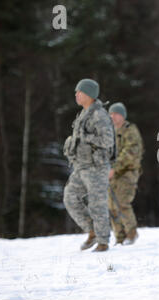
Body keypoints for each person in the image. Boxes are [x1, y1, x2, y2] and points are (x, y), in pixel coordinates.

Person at [63, 79, 115, 252]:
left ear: (90, 95)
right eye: (76, 92)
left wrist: (87, 138)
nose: (76, 95)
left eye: (80, 92)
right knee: (70, 198)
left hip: (96, 167)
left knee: (97, 204)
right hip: (81, 166)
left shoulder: (99, 115)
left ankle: (103, 241)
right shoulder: (83, 114)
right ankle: (92, 230)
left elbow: (108, 141)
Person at [108, 102, 144, 245]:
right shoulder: (110, 133)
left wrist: (114, 168)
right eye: (111, 114)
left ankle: (131, 233)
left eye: (116, 114)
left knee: (122, 202)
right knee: (111, 206)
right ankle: (120, 237)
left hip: (127, 172)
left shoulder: (130, 131)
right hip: (112, 174)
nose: (113, 117)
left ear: (122, 116)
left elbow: (130, 152)